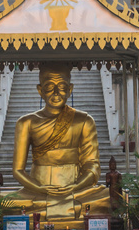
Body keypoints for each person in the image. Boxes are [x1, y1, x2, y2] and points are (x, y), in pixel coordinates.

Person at [9, 63, 110, 220]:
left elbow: (92, 165)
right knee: (6, 204)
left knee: (110, 198)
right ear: (40, 90)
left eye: (62, 87)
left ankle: (46, 212)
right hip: (38, 190)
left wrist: (76, 186)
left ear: (70, 89)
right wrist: (41, 188)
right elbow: (17, 170)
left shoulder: (84, 120)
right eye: (49, 87)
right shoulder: (26, 122)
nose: (56, 93)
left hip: (76, 188)